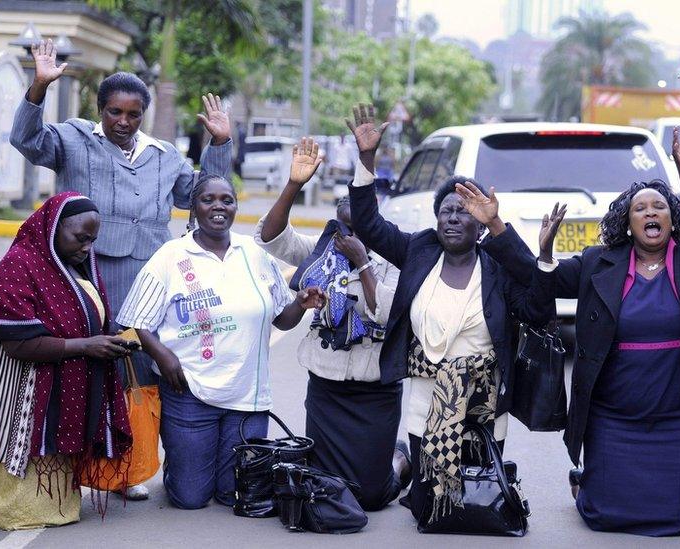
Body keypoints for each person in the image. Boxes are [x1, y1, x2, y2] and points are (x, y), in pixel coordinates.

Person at [458, 128, 680, 536]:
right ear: (628, 223)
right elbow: (541, 278)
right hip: (613, 413)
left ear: (673, 218)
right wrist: (497, 227)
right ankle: (589, 482)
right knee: (603, 517)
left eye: (660, 207)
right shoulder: (599, 263)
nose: (651, 213)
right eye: (640, 209)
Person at [9, 39, 233, 500]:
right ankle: (73, 467)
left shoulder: (165, 155)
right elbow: (25, 141)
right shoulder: (72, 138)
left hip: (151, 279)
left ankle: (126, 467)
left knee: (142, 374)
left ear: (144, 115)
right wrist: (38, 88)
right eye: (114, 112)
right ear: (101, 110)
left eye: (133, 114)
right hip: (87, 279)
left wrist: (220, 142)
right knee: (89, 370)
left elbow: (202, 194)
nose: (123, 122)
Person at [345, 104, 550, 524]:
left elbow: (537, 303)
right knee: (430, 509)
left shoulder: (497, 265)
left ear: (478, 223)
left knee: (479, 497)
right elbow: (368, 223)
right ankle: (412, 474)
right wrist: (367, 159)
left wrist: (506, 233)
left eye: (464, 212)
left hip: (485, 398)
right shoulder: (419, 251)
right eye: (446, 211)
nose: (453, 217)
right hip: (427, 393)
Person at [115, 175, 323, 510]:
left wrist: (300, 304)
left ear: (235, 206)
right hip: (189, 392)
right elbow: (135, 319)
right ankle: (181, 467)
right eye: (208, 200)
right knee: (191, 497)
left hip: (247, 396)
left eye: (226, 200)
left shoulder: (254, 254)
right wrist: (163, 357)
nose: (218, 207)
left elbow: (281, 318)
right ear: (194, 208)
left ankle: (207, 464)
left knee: (232, 494)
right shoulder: (171, 256)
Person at [253, 137, 410, 511]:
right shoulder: (322, 249)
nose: (347, 200)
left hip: (376, 387)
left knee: (369, 497)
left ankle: (399, 461)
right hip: (327, 383)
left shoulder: (397, 255)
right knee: (328, 488)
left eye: (357, 203)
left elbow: (385, 312)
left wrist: (363, 263)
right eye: (343, 201)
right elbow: (270, 237)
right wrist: (294, 185)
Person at [0, 193, 133, 529]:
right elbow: (18, 345)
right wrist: (85, 346)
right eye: (80, 238)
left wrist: (110, 340)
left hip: (60, 402)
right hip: (22, 402)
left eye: (92, 240)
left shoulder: (74, 264)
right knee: (36, 508)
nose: (87, 247)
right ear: (53, 228)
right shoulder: (19, 264)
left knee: (60, 509)